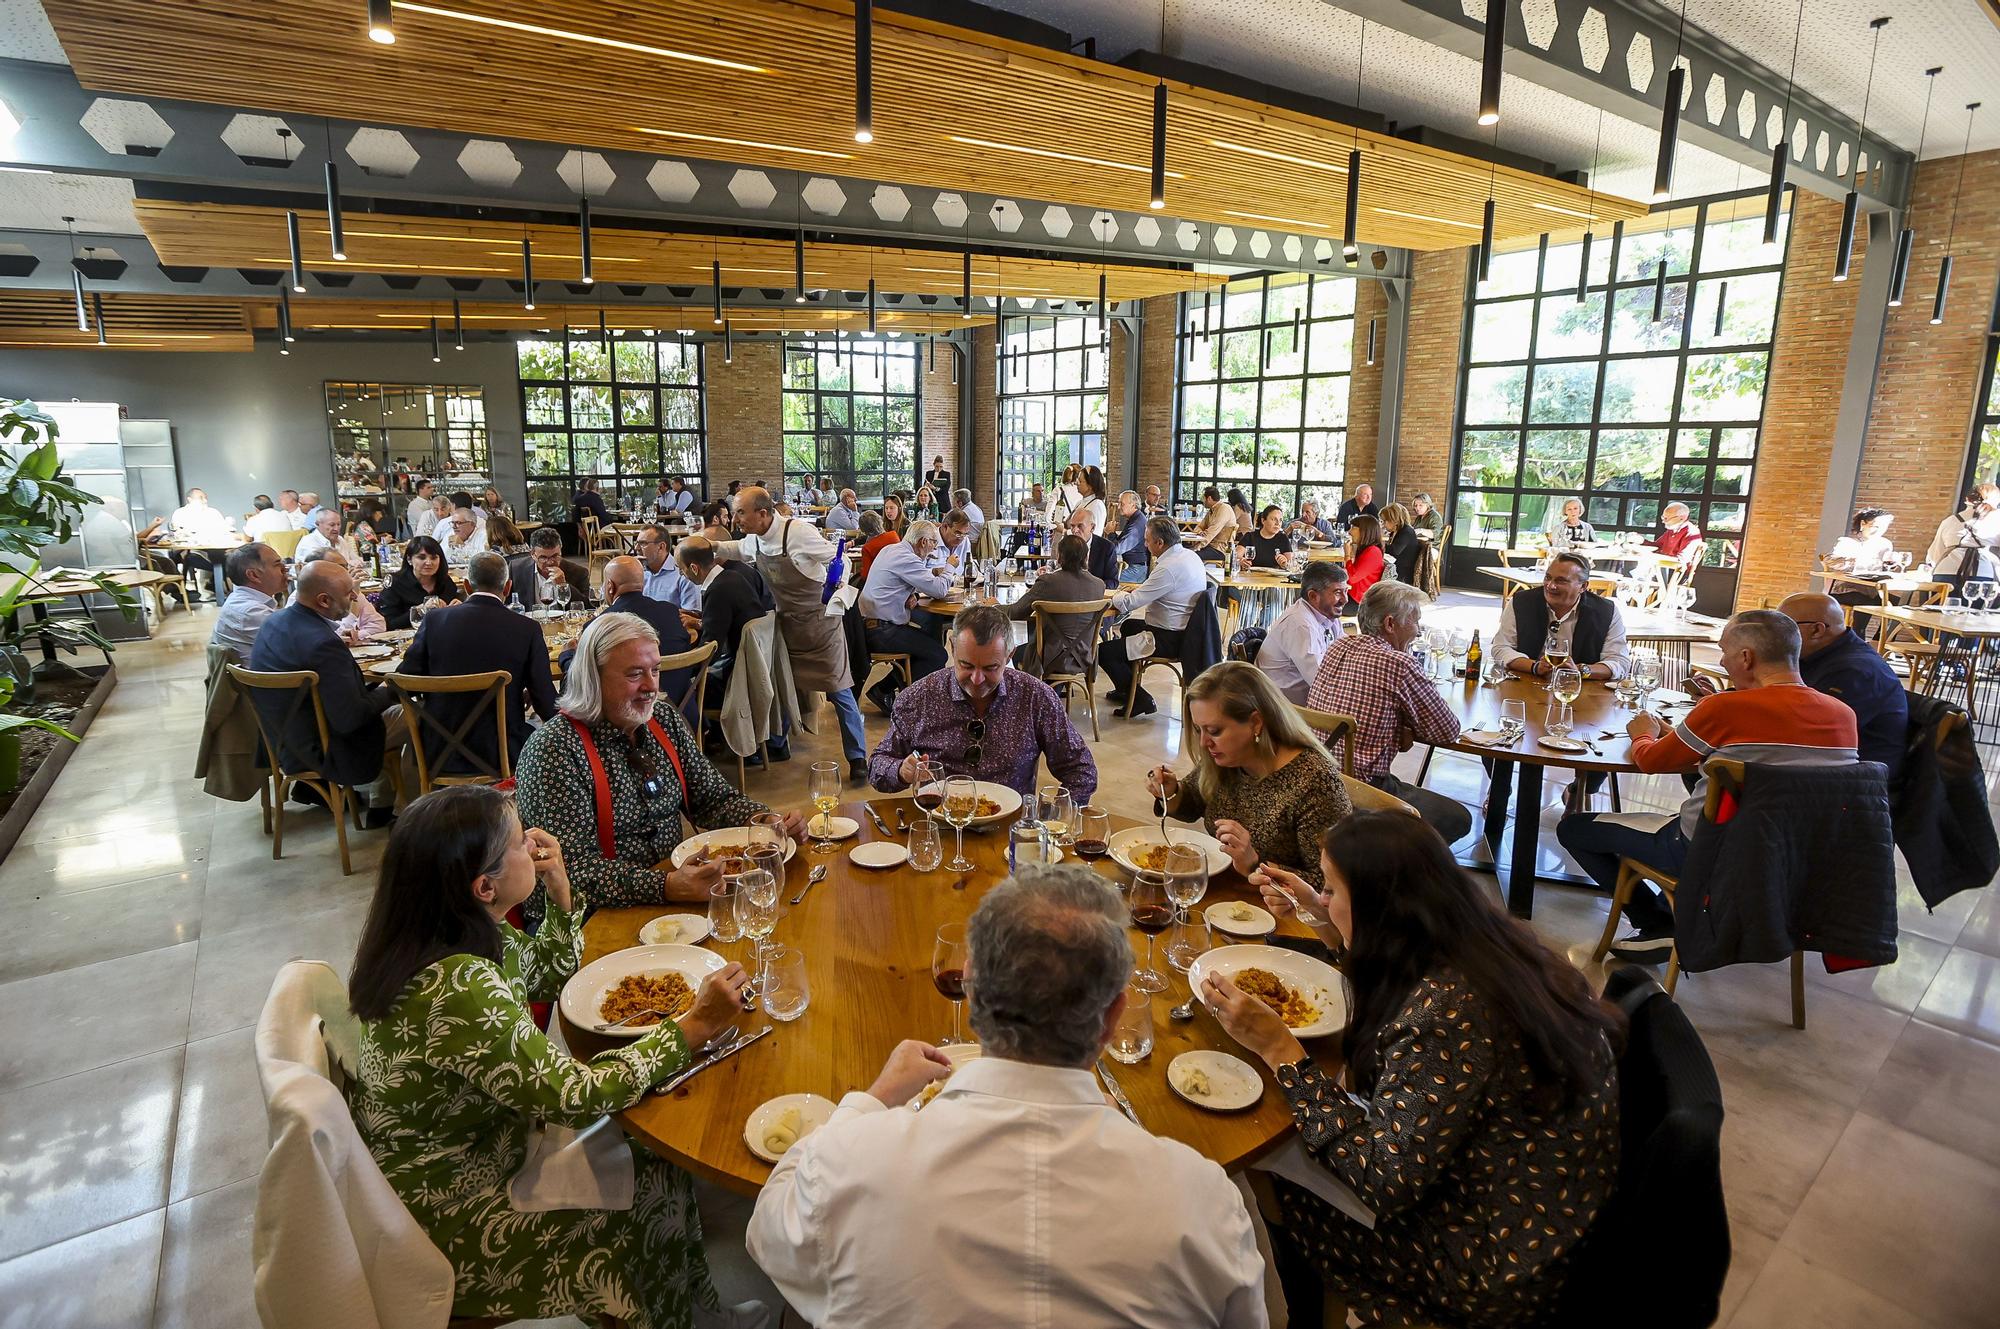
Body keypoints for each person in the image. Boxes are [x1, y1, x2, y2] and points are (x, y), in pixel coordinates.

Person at [749, 864, 1266, 1328]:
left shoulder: (847, 1164)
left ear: (970, 990)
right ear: (1113, 1017)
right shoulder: (1204, 1202)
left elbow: (768, 1232)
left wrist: (873, 1098)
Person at [345, 785, 750, 1329]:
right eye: (518, 841)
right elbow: (576, 1097)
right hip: (449, 1215)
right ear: (484, 885)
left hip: (489, 1147)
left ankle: (698, 1312)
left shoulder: (457, 932)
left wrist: (560, 891)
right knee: (638, 1204)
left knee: (655, 1159)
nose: (535, 842)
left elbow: (547, 973)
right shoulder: (455, 986)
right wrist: (695, 1026)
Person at [1205, 812, 1621, 1329]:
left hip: (1487, 1262)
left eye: (1331, 889)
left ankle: (1297, 1315)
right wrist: (1325, 918)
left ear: (1385, 910)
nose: (1323, 897)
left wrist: (1280, 1051)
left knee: (1259, 1176)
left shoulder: (1449, 1015)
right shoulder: (1479, 945)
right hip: (1538, 1207)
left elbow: (1382, 1179)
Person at [1557, 610, 1859, 960]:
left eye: (1725, 651)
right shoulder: (1843, 715)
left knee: (1574, 829)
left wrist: (1642, 732)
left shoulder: (1725, 707)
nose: (1721, 660)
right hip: (1795, 860)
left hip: (1709, 854)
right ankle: (1681, 914)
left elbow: (1651, 761)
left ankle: (1658, 924)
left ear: (1746, 658)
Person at [514, 613, 806, 922]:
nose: (651, 686)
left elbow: (713, 799)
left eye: (655, 670)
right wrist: (664, 886)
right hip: (585, 920)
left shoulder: (663, 722)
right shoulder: (554, 749)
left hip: (670, 899)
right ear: (593, 677)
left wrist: (766, 823)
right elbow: (569, 870)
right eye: (635, 674)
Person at [711, 487, 871, 781]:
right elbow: (737, 549)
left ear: (762, 513)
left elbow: (841, 558)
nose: (735, 519)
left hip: (821, 626)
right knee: (783, 685)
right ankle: (777, 743)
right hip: (789, 626)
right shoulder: (756, 540)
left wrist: (837, 587)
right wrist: (711, 546)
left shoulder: (797, 533)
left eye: (740, 512)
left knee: (839, 689)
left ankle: (858, 757)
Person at [1148, 663, 1350, 887]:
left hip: (1279, 913)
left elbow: (1331, 887)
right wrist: (1172, 792)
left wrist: (1254, 865)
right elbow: (1195, 801)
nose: (1204, 743)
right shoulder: (1228, 759)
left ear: (1256, 722)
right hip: (1228, 896)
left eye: (1214, 731)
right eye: (1198, 729)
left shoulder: (1316, 783)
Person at [870, 605, 1097, 802]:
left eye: (990, 668)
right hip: (941, 827)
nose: (977, 679)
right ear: (952, 647)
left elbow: (1080, 770)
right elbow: (877, 767)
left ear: (1009, 655)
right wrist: (902, 771)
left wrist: (1052, 816)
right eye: (966, 665)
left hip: (1010, 835)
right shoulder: (919, 697)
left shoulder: (1036, 697)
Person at [1307, 582, 1473, 844]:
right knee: (1458, 818)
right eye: (1415, 622)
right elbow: (1447, 731)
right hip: (1359, 790)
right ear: (1390, 624)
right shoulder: (1399, 663)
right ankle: (1389, 871)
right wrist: (1405, 726)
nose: (1418, 631)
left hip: (1317, 776)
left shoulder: (1338, 646)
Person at [248, 560, 405, 825]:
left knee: (386, 706)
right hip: (323, 745)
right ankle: (405, 809)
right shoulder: (323, 644)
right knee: (417, 714)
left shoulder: (275, 622)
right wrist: (392, 688)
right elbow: (350, 718)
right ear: (323, 600)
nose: (355, 596)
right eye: (348, 593)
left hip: (280, 738)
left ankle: (382, 800)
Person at [400, 551, 559, 773]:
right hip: (502, 750)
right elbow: (545, 700)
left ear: (466, 586)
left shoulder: (434, 620)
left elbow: (405, 678)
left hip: (439, 751)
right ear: (507, 587)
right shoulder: (526, 629)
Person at [1780, 592, 1908, 780]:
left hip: (1857, 783)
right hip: (1824, 766)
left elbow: (1808, 735)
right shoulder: (1817, 656)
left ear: (1817, 630)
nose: (1776, 635)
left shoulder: (1855, 672)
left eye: (1785, 627)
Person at [675, 537, 781, 756]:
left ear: (694, 568)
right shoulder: (733, 577)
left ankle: (695, 751)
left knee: (679, 686)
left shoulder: (717, 590)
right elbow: (728, 619)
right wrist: (700, 620)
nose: (681, 574)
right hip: (756, 667)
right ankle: (711, 740)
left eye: (681, 569)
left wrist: (680, 667)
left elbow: (709, 651)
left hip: (738, 679)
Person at [1100, 515, 1209, 716]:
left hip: (1167, 637)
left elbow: (1129, 603)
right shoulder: (1190, 556)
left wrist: (1116, 594)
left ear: (1160, 543)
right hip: (1186, 631)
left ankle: (1141, 700)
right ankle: (1128, 689)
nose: (1145, 544)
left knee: (1103, 652)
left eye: (1147, 540)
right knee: (1127, 626)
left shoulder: (1168, 568)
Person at [1490, 551, 1630, 681]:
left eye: (1561, 581)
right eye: (1548, 578)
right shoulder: (1522, 602)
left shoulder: (1606, 611)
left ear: (1583, 586)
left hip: (1580, 691)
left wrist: (1582, 670)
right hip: (1525, 684)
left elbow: (1620, 662)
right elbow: (1501, 647)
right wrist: (1534, 666)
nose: (1550, 586)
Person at [861, 518, 955, 705]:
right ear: (923, 542)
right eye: (934, 543)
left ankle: (883, 690)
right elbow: (939, 590)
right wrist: (950, 566)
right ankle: (909, 703)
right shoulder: (908, 558)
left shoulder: (891, 550)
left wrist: (915, 595)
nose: (934, 549)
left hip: (869, 624)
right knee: (937, 654)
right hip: (881, 631)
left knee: (927, 642)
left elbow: (904, 583)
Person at [587, 555, 694, 704]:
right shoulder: (670, 611)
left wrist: (566, 656)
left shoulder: (600, 625)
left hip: (632, 718)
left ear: (610, 586)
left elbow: (584, 678)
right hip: (683, 713)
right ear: (642, 584)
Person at [1007, 533, 1110, 678]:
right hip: (1084, 657)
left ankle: (1035, 692)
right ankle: (1058, 690)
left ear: (1060, 557)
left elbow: (1015, 612)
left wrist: (994, 606)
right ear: (1086, 558)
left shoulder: (1048, 582)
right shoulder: (1099, 585)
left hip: (1048, 659)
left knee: (1016, 647)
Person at [1257, 561, 1347, 703]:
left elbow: (1345, 654)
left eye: (1345, 591)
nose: (1345, 599)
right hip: (1286, 710)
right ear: (1313, 596)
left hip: (1305, 702)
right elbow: (1322, 684)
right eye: (1337, 593)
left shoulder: (1328, 615)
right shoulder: (1301, 625)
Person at [210, 541, 286, 658]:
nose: (284, 569)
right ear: (254, 575)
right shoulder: (251, 611)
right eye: (277, 565)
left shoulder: (240, 599)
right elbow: (299, 644)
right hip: (269, 676)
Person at [377, 534, 464, 629]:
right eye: (422, 557)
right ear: (409, 559)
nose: (428, 562)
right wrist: (421, 610)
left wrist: (459, 609)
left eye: (434, 558)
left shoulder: (445, 581)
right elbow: (388, 624)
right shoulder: (394, 583)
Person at [1925, 485, 2000, 587]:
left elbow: (1935, 554)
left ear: (1967, 499)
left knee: (1944, 603)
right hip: (1981, 573)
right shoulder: (1996, 521)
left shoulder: (1949, 521)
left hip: (1945, 572)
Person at [506, 528, 593, 612]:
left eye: (555, 556)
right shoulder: (516, 569)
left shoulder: (579, 572)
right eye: (543, 558)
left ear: (561, 551)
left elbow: (588, 607)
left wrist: (563, 585)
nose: (550, 562)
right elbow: (506, 604)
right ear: (533, 554)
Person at [634, 523, 700, 614]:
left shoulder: (684, 574)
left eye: (643, 543)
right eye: (636, 543)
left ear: (661, 547)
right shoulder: (636, 571)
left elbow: (691, 615)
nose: (636, 548)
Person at [1064, 507, 1119, 589]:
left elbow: (1113, 582)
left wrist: (1090, 588)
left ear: (1092, 528)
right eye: (1072, 526)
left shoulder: (1106, 547)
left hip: (1095, 597)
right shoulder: (1066, 544)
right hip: (1069, 593)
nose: (1075, 530)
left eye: (1080, 526)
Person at [1828, 507, 1896, 573]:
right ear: (1863, 524)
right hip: (1850, 582)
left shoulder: (1885, 544)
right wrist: (1848, 561)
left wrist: (1894, 565)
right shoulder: (1846, 542)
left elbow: (1886, 568)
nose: (1879, 531)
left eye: (1883, 527)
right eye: (1875, 527)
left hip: (1875, 582)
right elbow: (1834, 566)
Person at [1187, 486, 1237, 564]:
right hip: (1209, 546)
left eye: (1203, 498)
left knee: (1190, 556)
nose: (1202, 501)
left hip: (1220, 550)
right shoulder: (1211, 510)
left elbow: (1212, 532)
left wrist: (1197, 547)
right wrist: (1200, 532)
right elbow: (1198, 527)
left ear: (1209, 498)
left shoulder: (1224, 509)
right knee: (1185, 552)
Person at [1379, 503, 1424, 585]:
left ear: (1394, 520)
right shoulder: (1396, 531)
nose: (1383, 524)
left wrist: (1379, 543)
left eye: (1384, 521)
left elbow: (1395, 550)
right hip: (1397, 566)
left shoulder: (1406, 531)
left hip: (1403, 573)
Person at [1235, 505, 1292, 570]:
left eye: (1280, 520)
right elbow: (1236, 556)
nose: (1278, 523)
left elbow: (1291, 565)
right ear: (1263, 520)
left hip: (1274, 578)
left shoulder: (1283, 538)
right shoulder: (1250, 536)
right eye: (1274, 519)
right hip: (1251, 577)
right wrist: (1241, 561)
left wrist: (1285, 564)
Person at [1343, 514, 1386, 599]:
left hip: (1360, 599)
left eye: (1353, 527)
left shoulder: (1373, 552)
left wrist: (1347, 555)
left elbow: (1351, 578)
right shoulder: (1366, 549)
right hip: (1353, 593)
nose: (1349, 532)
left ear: (1364, 531)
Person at [1111, 490, 1150, 582]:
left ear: (1133, 505)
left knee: (1103, 578)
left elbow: (1117, 549)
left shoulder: (1136, 524)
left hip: (1136, 570)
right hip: (1133, 566)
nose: (1119, 507)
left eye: (1122, 504)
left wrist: (1111, 533)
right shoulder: (1135, 518)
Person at [1650, 500, 1702, 565]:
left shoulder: (1692, 532)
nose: (1663, 521)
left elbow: (1682, 559)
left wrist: (1655, 557)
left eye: (1666, 518)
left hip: (1676, 569)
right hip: (1663, 565)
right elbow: (1658, 545)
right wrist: (1641, 541)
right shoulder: (1672, 529)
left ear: (1682, 518)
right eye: (1663, 517)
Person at [855, 509, 898, 584]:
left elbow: (866, 575)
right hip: (897, 579)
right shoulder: (894, 536)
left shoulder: (867, 548)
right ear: (880, 521)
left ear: (863, 530)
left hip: (879, 583)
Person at [926, 509, 975, 577]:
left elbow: (970, 569)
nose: (961, 538)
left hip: (957, 586)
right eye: (958, 533)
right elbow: (915, 573)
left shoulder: (965, 540)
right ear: (945, 527)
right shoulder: (927, 539)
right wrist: (934, 571)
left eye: (965, 534)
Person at [1075, 465, 1109, 537]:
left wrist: (1064, 530)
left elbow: (1094, 533)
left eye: (1080, 481)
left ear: (1090, 486)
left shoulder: (1097, 505)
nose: (1076, 483)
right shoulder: (1080, 502)